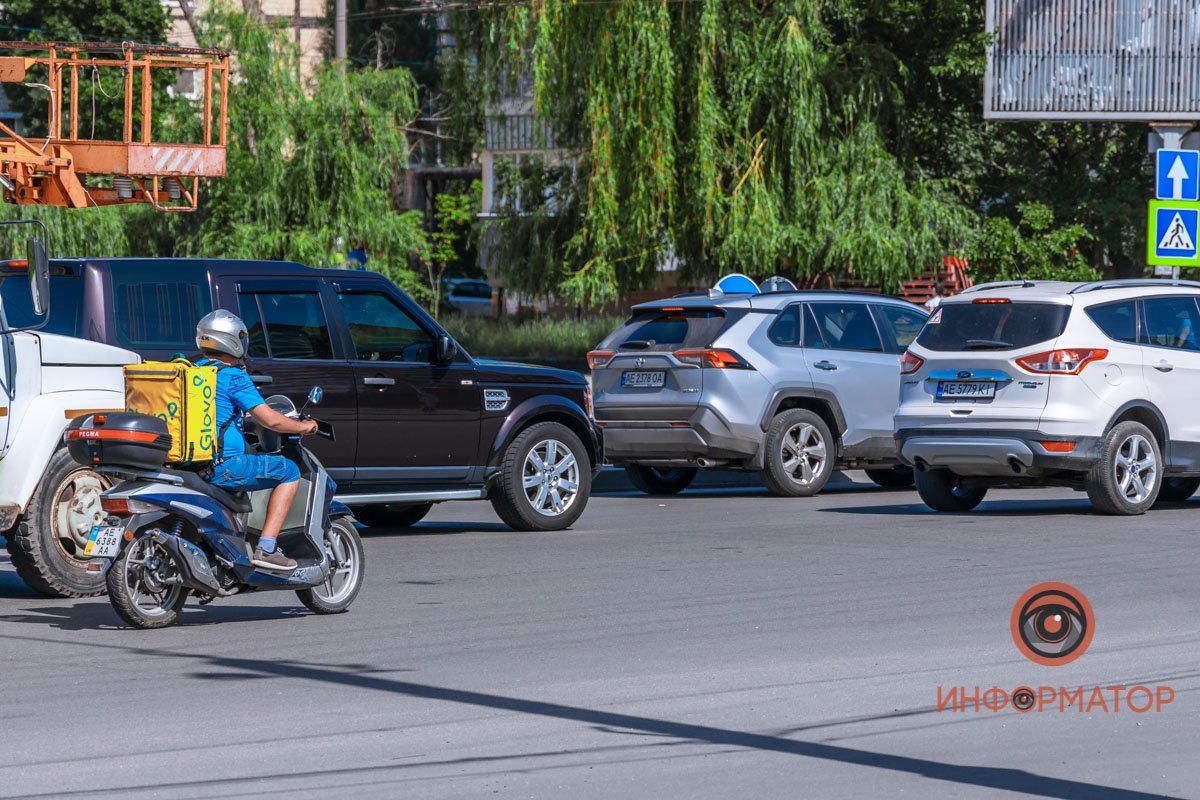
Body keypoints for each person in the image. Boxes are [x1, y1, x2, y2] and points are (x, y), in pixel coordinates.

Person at [194, 310, 318, 572]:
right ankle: (268, 547)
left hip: (191, 462)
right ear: (233, 341)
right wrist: (303, 427)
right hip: (224, 465)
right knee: (289, 471)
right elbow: (271, 421)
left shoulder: (193, 372)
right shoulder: (233, 376)